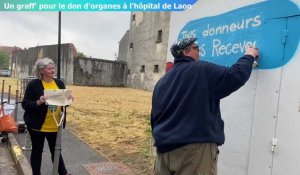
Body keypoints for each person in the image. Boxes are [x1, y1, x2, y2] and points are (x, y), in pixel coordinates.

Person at [151, 37, 259, 175]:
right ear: (186, 51)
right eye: (196, 48)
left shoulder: (162, 82)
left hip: (164, 153)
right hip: (194, 152)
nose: (199, 52)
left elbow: (154, 118)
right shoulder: (201, 69)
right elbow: (235, 75)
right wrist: (249, 55)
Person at [22, 57, 71, 175]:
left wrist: (68, 100)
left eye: (53, 68)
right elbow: (25, 104)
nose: (52, 70)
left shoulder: (59, 83)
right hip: (37, 125)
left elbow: (63, 103)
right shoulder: (34, 85)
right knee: (37, 151)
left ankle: (63, 173)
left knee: (56, 150)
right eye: (49, 68)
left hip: (54, 124)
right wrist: (38, 102)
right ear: (41, 70)